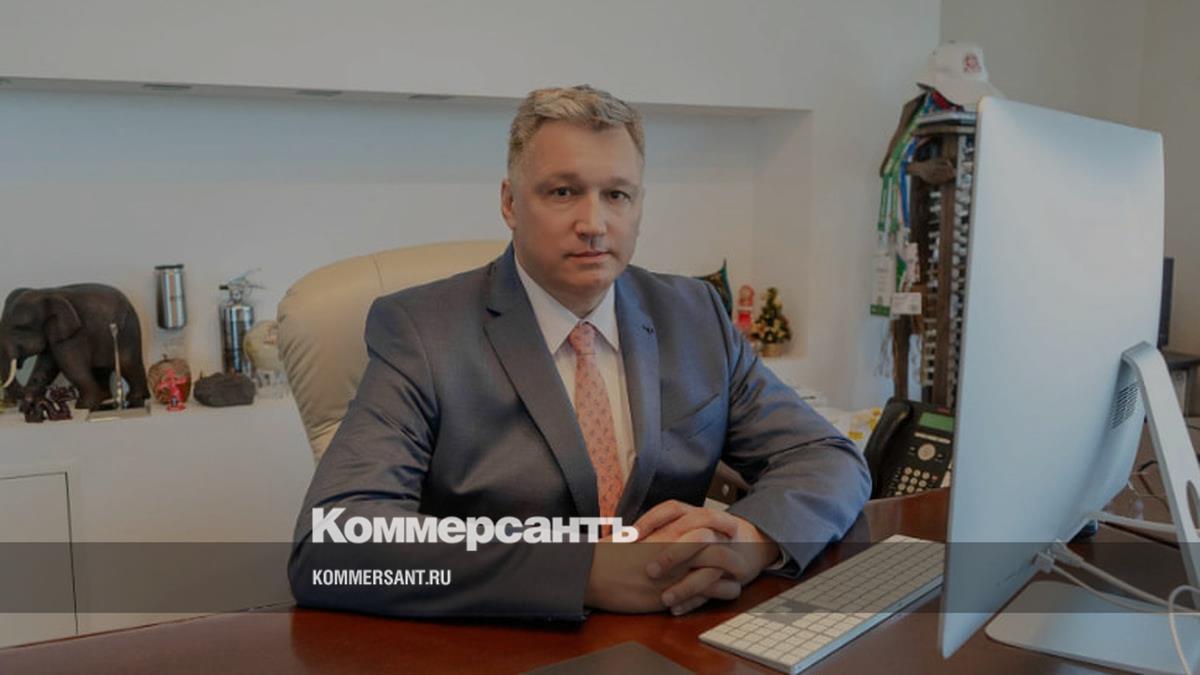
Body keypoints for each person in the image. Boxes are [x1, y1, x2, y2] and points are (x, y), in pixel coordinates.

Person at [288, 85, 870, 619]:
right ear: (510, 203)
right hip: (500, 646)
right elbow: (332, 546)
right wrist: (580, 573)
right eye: (563, 192)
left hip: (676, 637)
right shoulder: (422, 330)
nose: (594, 223)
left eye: (617, 195)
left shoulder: (693, 314)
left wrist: (750, 540)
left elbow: (827, 456)